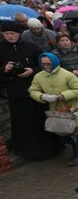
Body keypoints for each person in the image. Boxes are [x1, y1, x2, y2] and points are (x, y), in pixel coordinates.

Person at [0, 20, 60, 160]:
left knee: (40, 119)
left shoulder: (30, 46)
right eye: (7, 33)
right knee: (22, 122)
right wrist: (4, 69)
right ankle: (26, 152)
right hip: (15, 92)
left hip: (35, 89)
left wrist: (32, 70)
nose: (10, 36)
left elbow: (44, 65)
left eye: (13, 33)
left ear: (19, 34)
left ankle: (49, 149)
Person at [28, 52, 78, 166]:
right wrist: (42, 96)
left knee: (75, 130)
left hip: (72, 108)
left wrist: (63, 95)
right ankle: (77, 150)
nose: (46, 66)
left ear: (55, 62)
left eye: (49, 63)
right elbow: (32, 90)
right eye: (43, 64)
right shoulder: (39, 76)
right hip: (56, 108)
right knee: (64, 130)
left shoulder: (67, 75)